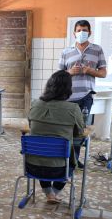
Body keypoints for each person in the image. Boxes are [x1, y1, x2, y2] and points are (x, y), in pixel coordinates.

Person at [27, 71, 85, 203]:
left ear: (48, 85)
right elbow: (79, 132)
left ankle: (49, 194)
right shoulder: (73, 108)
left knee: (42, 153)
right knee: (70, 155)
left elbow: (30, 126)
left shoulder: (35, 104)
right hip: (60, 169)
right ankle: (53, 193)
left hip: (32, 166)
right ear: (68, 89)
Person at [57, 20, 107, 122]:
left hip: (86, 96)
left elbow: (103, 73)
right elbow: (58, 76)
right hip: (68, 96)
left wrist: (90, 71)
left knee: (82, 127)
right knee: (67, 126)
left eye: (84, 30)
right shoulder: (66, 51)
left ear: (90, 33)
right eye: (79, 30)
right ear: (74, 33)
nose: (81, 33)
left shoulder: (97, 50)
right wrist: (70, 72)